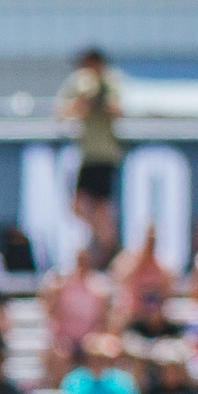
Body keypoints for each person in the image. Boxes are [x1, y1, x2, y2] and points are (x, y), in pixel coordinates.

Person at [60, 47, 126, 259]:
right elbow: (63, 111)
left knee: (102, 210)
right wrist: (85, 103)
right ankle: (103, 241)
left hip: (105, 155)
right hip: (87, 154)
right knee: (80, 207)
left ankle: (107, 247)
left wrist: (102, 102)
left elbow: (119, 111)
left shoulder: (111, 82)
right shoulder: (80, 82)